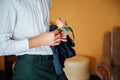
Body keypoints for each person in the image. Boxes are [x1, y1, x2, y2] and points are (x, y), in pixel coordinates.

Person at [0, 0, 68, 80]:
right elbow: (1, 46)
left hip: (54, 64)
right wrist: (39, 41)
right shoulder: (8, 1)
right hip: (30, 69)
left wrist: (59, 32)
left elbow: (41, 28)